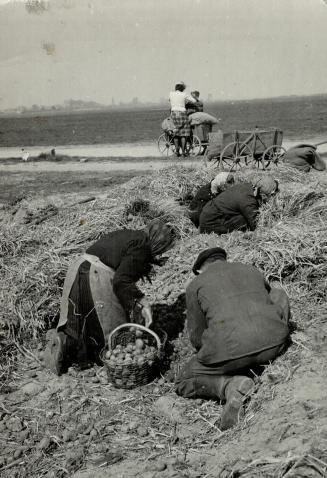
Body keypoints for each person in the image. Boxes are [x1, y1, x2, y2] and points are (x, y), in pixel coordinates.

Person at [175, 247, 290, 430]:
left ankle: (230, 385)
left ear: (199, 269)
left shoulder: (195, 285)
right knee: (278, 293)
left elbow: (196, 338)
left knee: (182, 380)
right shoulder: (250, 270)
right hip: (275, 344)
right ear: (224, 259)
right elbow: (271, 298)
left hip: (230, 354)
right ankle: (258, 359)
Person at [44, 219, 176, 375]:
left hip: (77, 268)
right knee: (106, 334)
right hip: (94, 274)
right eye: (162, 249)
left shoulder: (132, 235)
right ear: (158, 243)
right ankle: (69, 346)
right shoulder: (142, 247)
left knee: (81, 320)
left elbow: (123, 277)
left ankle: (64, 340)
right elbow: (121, 281)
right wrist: (143, 302)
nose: (160, 254)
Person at [199, 175, 278, 235]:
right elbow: (255, 225)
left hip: (208, 212)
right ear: (263, 195)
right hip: (210, 223)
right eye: (271, 195)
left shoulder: (248, 186)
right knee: (244, 221)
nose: (272, 197)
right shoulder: (249, 201)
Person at [169, 81, 197, 157]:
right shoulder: (184, 94)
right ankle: (184, 153)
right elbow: (194, 100)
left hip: (174, 113)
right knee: (183, 134)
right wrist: (186, 101)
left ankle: (177, 152)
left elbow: (170, 101)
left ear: (176, 87)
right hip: (182, 113)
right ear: (182, 88)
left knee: (175, 133)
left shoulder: (171, 93)